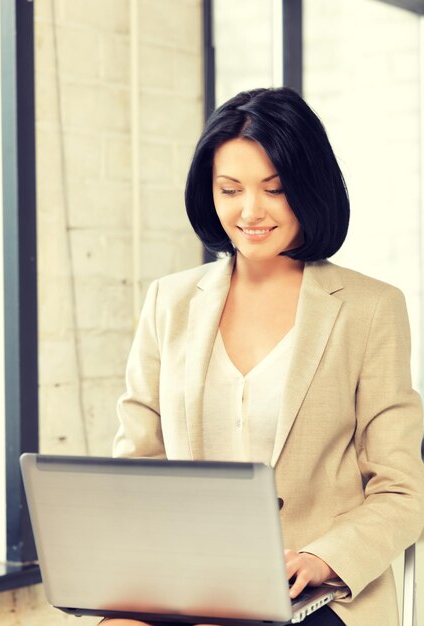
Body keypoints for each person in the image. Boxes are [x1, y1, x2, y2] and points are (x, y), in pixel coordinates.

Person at [108, 88, 424, 626]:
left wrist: (324, 558)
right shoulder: (169, 301)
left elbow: (402, 489)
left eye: (274, 190)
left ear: (307, 189)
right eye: (230, 189)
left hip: (315, 596)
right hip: (191, 583)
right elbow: (136, 465)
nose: (249, 211)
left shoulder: (371, 308)